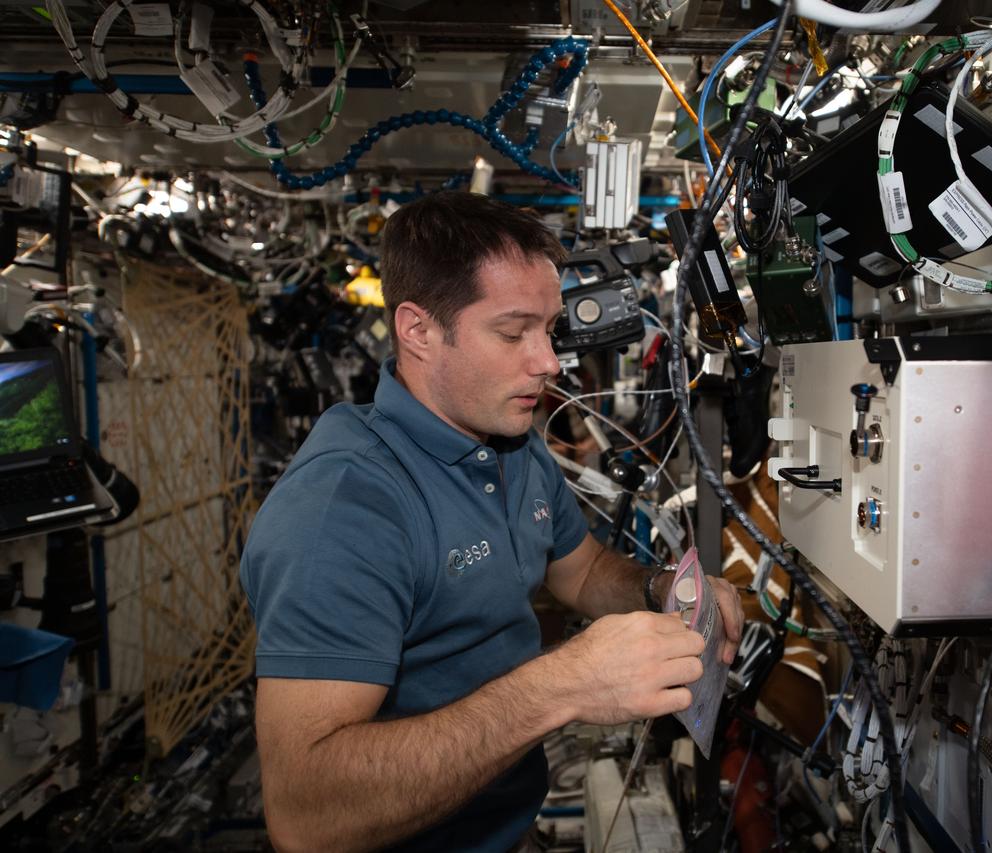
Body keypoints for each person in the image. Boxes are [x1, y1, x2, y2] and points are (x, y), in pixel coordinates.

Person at [238, 191, 744, 853]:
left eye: (549, 328)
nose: (549, 361)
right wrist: (562, 686)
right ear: (418, 331)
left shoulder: (510, 440)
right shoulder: (343, 508)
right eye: (512, 333)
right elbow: (306, 815)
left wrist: (664, 591)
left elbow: (581, 571)